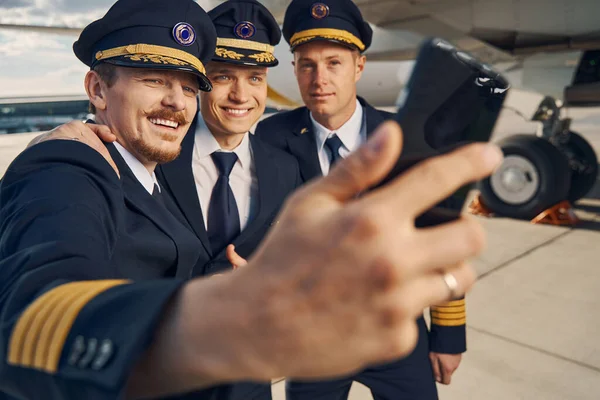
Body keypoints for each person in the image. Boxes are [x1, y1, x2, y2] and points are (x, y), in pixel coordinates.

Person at [0, 2, 504, 400]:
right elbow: (34, 312)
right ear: (97, 89)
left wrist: (447, 331)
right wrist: (238, 315)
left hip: (269, 374)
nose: (177, 101)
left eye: (186, 85)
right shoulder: (75, 166)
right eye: (155, 79)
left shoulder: (275, 159)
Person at [255, 0, 467, 398]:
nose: (320, 78)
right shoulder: (270, 138)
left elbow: (439, 237)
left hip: (395, 331)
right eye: (307, 64)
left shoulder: (404, 141)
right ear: (295, 69)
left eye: (334, 63)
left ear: (359, 67)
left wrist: (449, 333)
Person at [155, 1, 300, 398]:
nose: (241, 95)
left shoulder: (285, 169)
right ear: (201, 79)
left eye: (255, 78)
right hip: (166, 369)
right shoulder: (156, 156)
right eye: (223, 76)